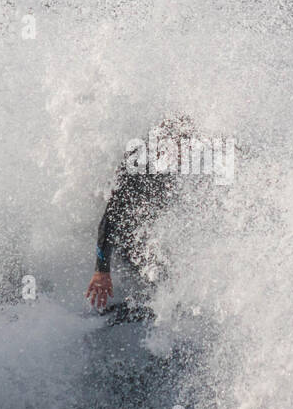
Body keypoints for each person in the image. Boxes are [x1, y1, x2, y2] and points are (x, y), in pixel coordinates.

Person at [85, 115, 214, 312]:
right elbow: (109, 220)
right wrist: (101, 271)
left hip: (147, 228)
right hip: (123, 234)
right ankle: (121, 310)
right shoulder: (140, 167)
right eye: (180, 146)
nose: (183, 154)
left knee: (171, 276)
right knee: (154, 275)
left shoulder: (182, 159)